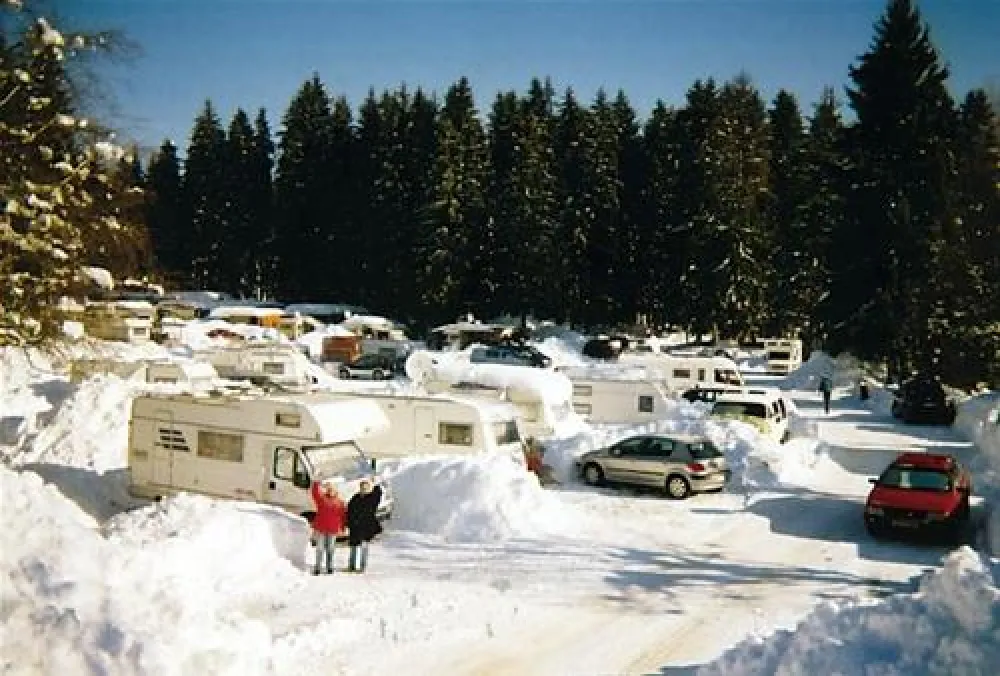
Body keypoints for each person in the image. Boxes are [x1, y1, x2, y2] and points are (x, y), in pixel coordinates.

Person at [310, 479, 346, 575]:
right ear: (327, 490)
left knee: (330, 549)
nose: (331, 491)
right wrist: (316, 483)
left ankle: (329, 567)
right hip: (321, 528)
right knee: (320, 548)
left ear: (336, 491)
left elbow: (342, 516)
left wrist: (342, 528)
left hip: (333, 529)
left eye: (332, 490)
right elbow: (315, 493)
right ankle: (317, 568)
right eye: (329, 490)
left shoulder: (340, 503)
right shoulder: (321, 499)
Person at [346, 478, 383, 573]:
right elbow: (349, 511)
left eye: (366, 487)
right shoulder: (355, 498)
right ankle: (351, 566)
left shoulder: (372, 498)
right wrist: (349, 523)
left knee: (364, 548)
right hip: (355, 527)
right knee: (353, 547)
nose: (364, 489)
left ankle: (362, 567)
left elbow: (378, 493)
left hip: (367, 527)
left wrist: (376, 483)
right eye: (362, 487)